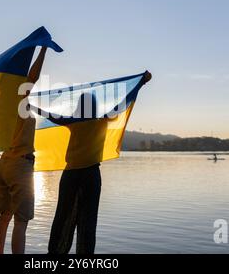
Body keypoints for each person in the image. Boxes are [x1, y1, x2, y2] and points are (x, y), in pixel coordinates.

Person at [48, 70, 152, 254]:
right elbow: (124, 101)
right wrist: (140, 83)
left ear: (79, 107)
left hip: (72, 174)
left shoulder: (72, 121)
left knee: (64, 218)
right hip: (90, 175)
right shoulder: (102, 119)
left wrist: (30, 103)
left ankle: (55, 254)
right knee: (88, 220)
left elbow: (50, 115)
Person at [0, 46, 48, 254]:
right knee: (21, 221)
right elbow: (33, 76)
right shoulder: (19, 100)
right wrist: (43, 49)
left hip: (4, 163)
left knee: (5, 216)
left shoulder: (0, 107)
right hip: (20, 166)